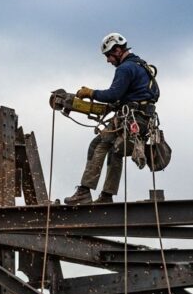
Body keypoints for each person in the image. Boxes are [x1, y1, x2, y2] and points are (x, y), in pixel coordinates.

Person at [64, 32, 160, 205]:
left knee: (99, 145)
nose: (108, 60)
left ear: (117, 50)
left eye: (108, 55)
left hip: (131, 119)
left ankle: (84, 192)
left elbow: (113, 94)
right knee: (115, 151)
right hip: (142, 119)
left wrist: (91, 93)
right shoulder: (142, 65)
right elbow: (148, 94)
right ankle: (107, 196)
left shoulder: (125, 68)